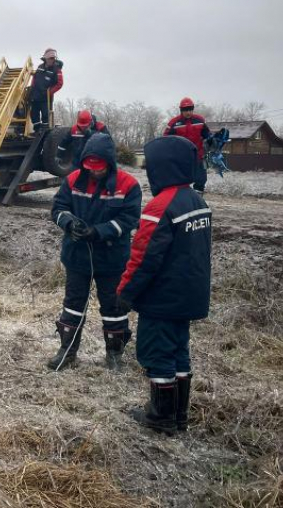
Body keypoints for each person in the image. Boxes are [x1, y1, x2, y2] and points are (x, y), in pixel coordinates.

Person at [116, 136, 212, 435]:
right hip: (188, 297)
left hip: (162, 299)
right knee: (178, 353)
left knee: (156, 354)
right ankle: (178, 416)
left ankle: (160, 418)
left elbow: (144, 257)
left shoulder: (160, 206)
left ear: (163, 167)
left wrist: (125, 293)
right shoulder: (197, 200)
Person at [48, 133, 141, 371]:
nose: (94, 172)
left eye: (99, 168)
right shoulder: (71, 180)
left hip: (111, 259)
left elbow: (129, 219)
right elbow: (58, 208)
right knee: (72, 304)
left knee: (113, 308)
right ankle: (67, 352)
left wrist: (98, 232)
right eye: (90, 168)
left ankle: (114, 355)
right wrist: (69, 223)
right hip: (77, 256)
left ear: (109, 163)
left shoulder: (128, 185)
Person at [164, 97, 211, 194]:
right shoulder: (174, 123)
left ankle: (198, 200)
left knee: (200, 179)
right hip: (181, 157)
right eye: (185, 110)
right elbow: (166, 139)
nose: (188, 112)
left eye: (190, 109)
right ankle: (182, 200)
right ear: (181, 110)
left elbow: (207, 135)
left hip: (198, 155)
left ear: (192, 109)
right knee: (180, 180)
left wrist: (213, 141)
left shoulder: (200, 120)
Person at [30, 48, 64, 131]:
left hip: (46, 98)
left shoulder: (57, 70)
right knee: (34, 114)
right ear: (46, 58)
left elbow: (60, 84)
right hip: (35, 96)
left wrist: (50, 92)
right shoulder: (40, 67)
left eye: (53, 58)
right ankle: (37, 130)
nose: (52, 60)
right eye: (50, 58)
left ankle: (45, 131)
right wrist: (32, 88)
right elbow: (35, 78)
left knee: (46, 115)